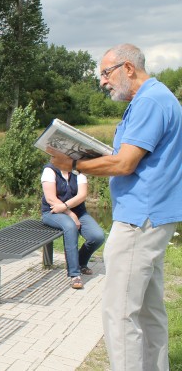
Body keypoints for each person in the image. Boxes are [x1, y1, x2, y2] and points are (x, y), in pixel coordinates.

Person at [50, 44, 182, 371]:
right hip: (153, 216)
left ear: (127, 67)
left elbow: (124, 164)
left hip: (139, 220)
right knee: (149, 310)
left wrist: (75, 163)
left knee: (120, 312)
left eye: (106, 74)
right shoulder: (157, 97)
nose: (103, 82)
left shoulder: (150, 101)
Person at [40, 162, 105, 290]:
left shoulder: (78, 171)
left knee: (97, 236)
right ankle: (74, 274)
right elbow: (51, 199)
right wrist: (70, 214)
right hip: (52, 212)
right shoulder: (49, 170)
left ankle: (80, 262)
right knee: (70, 227)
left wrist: (68, 209)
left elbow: (82, 195)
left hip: (78, 212)